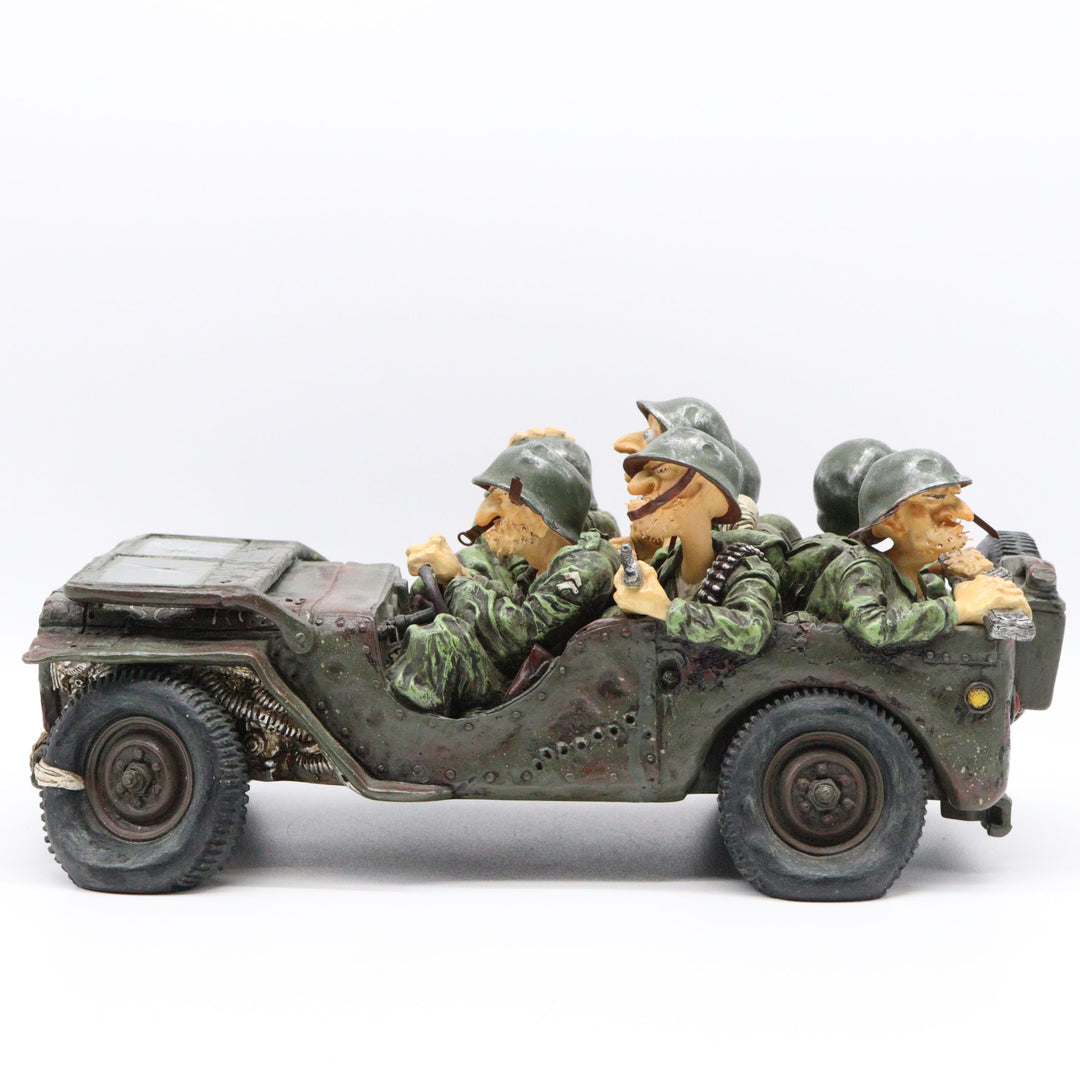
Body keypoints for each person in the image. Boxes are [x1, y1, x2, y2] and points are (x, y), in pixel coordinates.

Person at [390, 439, 620, 716]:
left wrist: (457, 581)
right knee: (443, 631)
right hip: (530, 690)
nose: (484, 517)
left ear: (538, 512)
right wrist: (458, 575)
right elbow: (514, 608)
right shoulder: (542, 566)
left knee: (439, 640)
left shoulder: (586, 566)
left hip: (535, 706)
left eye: (499, 500)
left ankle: (397, 725)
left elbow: (518, 638)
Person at [801, 448, 1031, 648]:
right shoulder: (862, 568)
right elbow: (872, 627)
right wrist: (962, 608)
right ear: (891, 523)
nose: (966, 514)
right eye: (937, 498)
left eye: (956, 498)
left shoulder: (915, 576)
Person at [611, 428, 781, 656]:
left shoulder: (746, 568)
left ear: (700, 487)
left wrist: (664, 608)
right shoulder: (665, 566)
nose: (636, 487)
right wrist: (631, 603)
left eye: (662, 471)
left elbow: (751, 630)